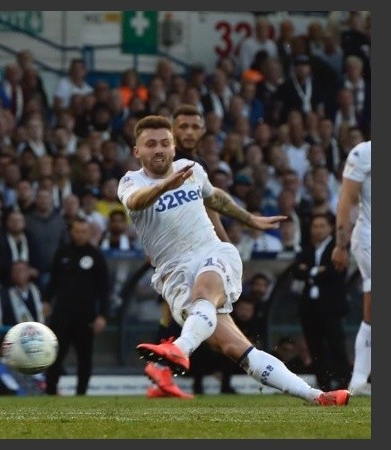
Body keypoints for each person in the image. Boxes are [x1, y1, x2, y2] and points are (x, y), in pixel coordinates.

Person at [120, 115, 350, 406]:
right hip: (173, 276)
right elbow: (135, 201)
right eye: (150, 144)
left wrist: (250, 219)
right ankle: (316, 396)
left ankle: (179, 348)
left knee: (205, 292)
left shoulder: (190, 170)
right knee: (236, 348)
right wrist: (164, 187)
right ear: (137, 151)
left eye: (165, 143)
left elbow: (214, 198)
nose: (159, 149)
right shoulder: (130, 182)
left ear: (173, 147)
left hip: (211, 253)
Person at [145, 104, 230, 400]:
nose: (189, 132)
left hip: (199, 251)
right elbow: (148, 205)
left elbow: (208, 207)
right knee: (177, 314)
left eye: (195, 127)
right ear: (173, 130)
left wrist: (223, 242)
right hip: (175, 254)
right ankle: (161, 376)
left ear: (203, 130)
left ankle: (171, 379)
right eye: (183, 127)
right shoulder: (165, 162)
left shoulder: (197, 163)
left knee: (193, 315)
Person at [43, 217, 110, 396]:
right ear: (71, 232)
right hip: (62, 314)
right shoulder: (62, 253)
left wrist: (102, 315)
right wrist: (46, 300)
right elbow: (53, 282)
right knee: (55, 355)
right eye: (76, 231)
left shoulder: (96, 256)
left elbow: (104, 289)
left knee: (84, 357)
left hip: (85, 315)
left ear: (88, 233)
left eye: (83, 232)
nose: (80, 235)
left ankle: (81, 393)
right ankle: (50, 390)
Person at [291, 213, 351, 390]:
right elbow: (295, 271)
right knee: (315, 346)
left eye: (321, 226)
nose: (317, 230)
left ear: (330, 228)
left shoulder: (338, 248)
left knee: (335, 345)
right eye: (314, 226)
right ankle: (323, 384)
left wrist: (309, 271)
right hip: (309, 307)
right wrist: (317, 271)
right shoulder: (307, 249)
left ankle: (343, 382)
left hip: (331, 307)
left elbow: (336, 273)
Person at [332, 140, 371, 396]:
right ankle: (357, 381)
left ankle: (359, 380)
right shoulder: (363, 153)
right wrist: (341, 245)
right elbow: (346, 200)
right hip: (371, 238)